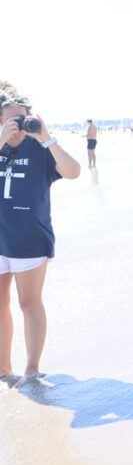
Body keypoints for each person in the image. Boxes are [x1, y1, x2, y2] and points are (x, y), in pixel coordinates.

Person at [0, 83, 81, 388]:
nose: (18, 126)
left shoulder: (40, 149)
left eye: (23, 119)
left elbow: (73, 171)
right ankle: (3, 370)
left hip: (29, 239)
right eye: (10, 120)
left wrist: (46, 137)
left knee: (28, 303)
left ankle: (32, 369)